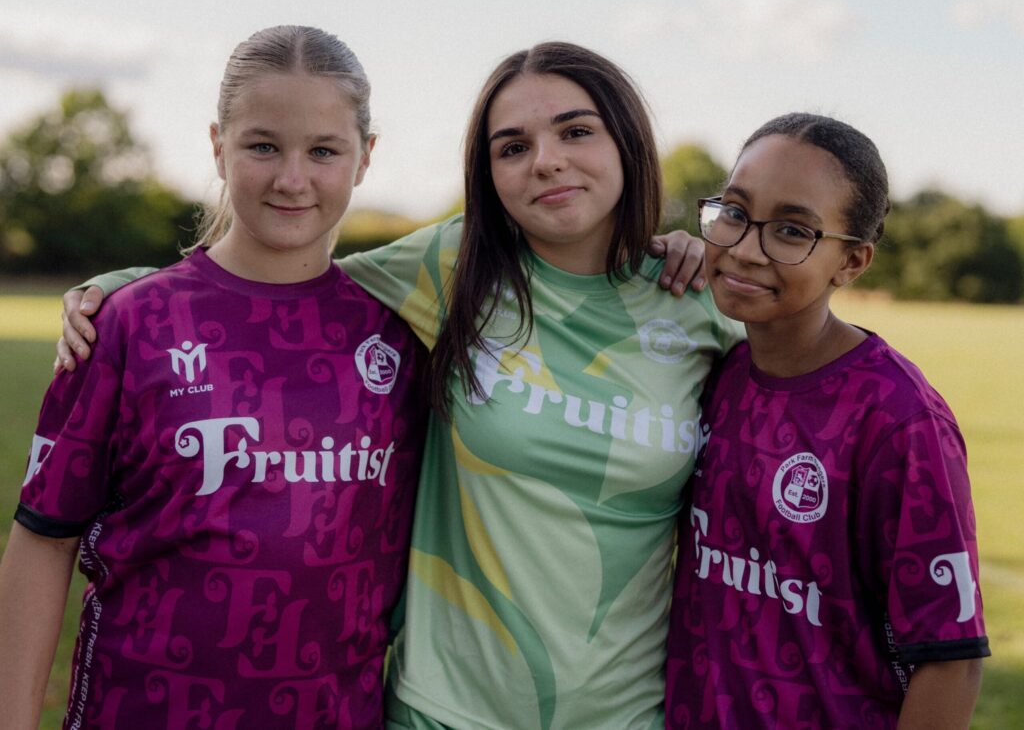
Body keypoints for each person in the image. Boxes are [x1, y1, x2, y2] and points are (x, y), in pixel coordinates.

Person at [56, 41, 740, 728]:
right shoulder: (452, 262)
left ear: (627, 138)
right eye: (511, 146)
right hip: (444, 708)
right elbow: (280, 280)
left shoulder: (698, 299)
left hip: (627, 714)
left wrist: (680, 243)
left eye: (576, 131)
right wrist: (121, 292)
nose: (547, 159)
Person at [0, 25, 428, 729]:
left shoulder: (401, 339)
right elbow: (45, 540)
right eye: (263, 145)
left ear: (365, 157)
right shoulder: (125, 324)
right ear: (217, 144)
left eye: (324, 150)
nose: (293, 178)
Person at [665, 113, 989, 729]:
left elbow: (950, 661)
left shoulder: (898, 419)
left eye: (792, 231)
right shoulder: (717, 374)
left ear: (853, 262)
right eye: (734, 212)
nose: (745, 246)